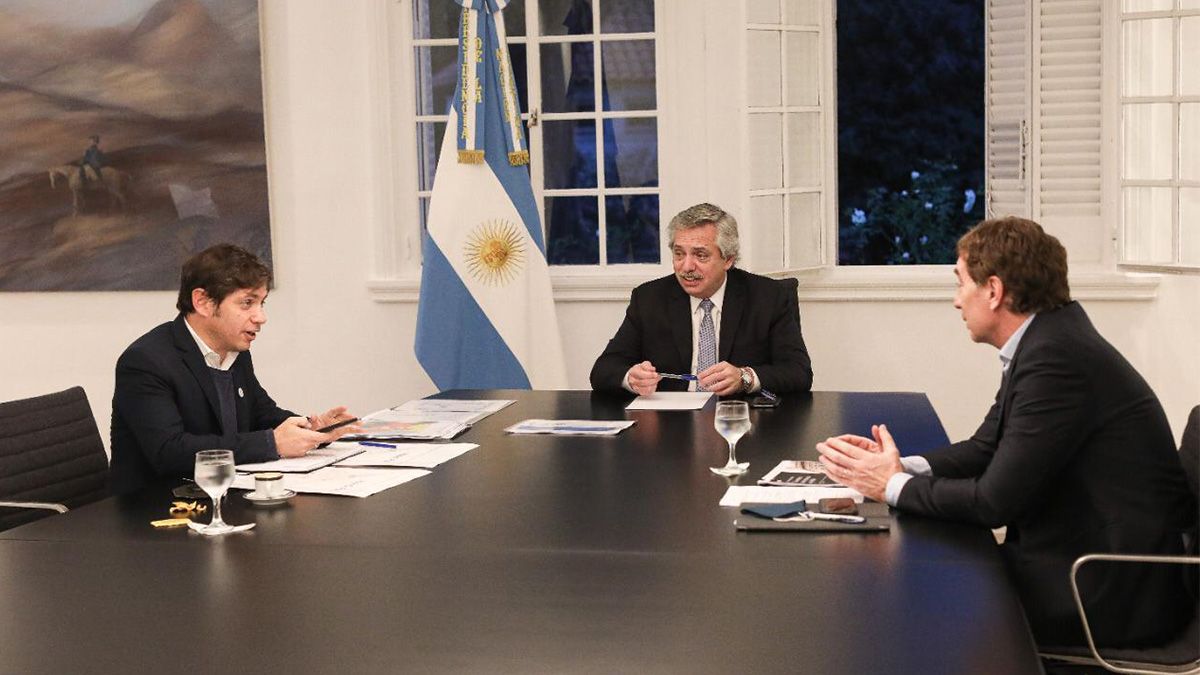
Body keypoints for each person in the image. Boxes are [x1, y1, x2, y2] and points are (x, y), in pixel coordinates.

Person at [816, 217, 1196, 648]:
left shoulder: (1056, 358)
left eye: (960, 283)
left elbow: (993, 502)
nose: (957, 301)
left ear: (993, 291)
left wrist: (891, 486)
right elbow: (987, 446)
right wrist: (900, 467)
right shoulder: (1050, 339)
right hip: (1091, 564)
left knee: (899, 601)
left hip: (1105, 587)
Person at [110, 243, 357, 495]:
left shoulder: (235, 351)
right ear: (203, 302)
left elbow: (261, 414)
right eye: (247, 303)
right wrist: (272, 443)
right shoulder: (145, 362)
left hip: (222, 499)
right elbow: (169, 451)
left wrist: (310, 429)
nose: (261, 317)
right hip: (155, 510)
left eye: (262, 303)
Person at [590, 202, 813, 397]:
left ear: (728, 259)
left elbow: (798, 372)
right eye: (679, 254)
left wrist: (744, 378)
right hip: (671, 427)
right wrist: (631, 377)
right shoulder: (649, 298)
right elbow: (603, 370)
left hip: (740, 420)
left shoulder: (768, 297)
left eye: (700, 255)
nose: (686, 267)